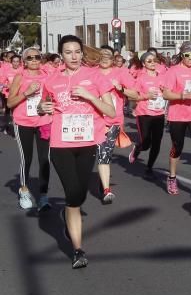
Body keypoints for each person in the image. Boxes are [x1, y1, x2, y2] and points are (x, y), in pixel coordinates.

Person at [39, 35, 116, 268]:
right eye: (68, 52)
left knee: (79, 195)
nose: (73, 56)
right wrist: (43, 107)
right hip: (61, 144)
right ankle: (78, 250)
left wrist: (90, 96)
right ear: (61, 55)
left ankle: (69, 217)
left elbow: (110, 111)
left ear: (82, 53)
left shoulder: (95, 77)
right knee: (72, 194)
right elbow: (42, 106)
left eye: (77, 52)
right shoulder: (52, 79)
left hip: (87, 143)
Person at [159, 41, 191, 197]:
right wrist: (182, 95)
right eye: (187, 55)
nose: (190, 58)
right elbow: (166, 94)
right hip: (178, 114)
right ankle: (172, 177)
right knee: (177, 146)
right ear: (182, 55)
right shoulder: (173, 71)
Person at [7, 47, 52, 210]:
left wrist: (47, 103)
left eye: (37, 57)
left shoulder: (48, 76)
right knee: (27, 158)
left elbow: (51, 97)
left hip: (44, 121)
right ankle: (24, 190)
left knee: (44, 160)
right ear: (24, 61)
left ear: (41, 59)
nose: (34, 60)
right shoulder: (20, 77)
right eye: (30, 58)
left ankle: (43, 195)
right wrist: (27, 93)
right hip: (23, 122)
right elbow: (10, 102)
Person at [95, 45, 133, 204]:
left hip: (112, 121)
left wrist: (121, 88)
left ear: (113, 58)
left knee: (104, 153)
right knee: (94, 153)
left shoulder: (121, 72)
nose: (105, 58)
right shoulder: (91, 73)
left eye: (108, 56)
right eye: (101, 55)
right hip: (92, 120)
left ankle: (106, 189)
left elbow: (135, 93)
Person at [123, 51, 167, 177]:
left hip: (159, 113)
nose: (153, 63)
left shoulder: (162, 77)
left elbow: (168, 92)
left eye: (154, 60)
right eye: (149, 61)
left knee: (157, 142)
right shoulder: (141, 78)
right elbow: (133, 97)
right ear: (143, 64)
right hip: (144, 114)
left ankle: (149, 167)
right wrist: (147, 96)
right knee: (146, 142)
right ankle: (138, 148)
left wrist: (165, 92)